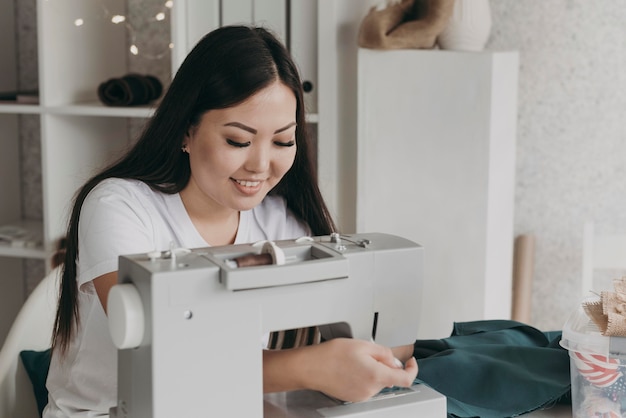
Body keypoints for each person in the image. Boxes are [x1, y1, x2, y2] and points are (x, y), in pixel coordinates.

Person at [43, 25, 418, 417]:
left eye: (283, 141)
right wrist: (312, 367)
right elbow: (162, 355)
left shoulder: (282, 224)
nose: (260, 165)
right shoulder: (120, 207)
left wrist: (381, 353)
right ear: (186, 131)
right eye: (238, 141)